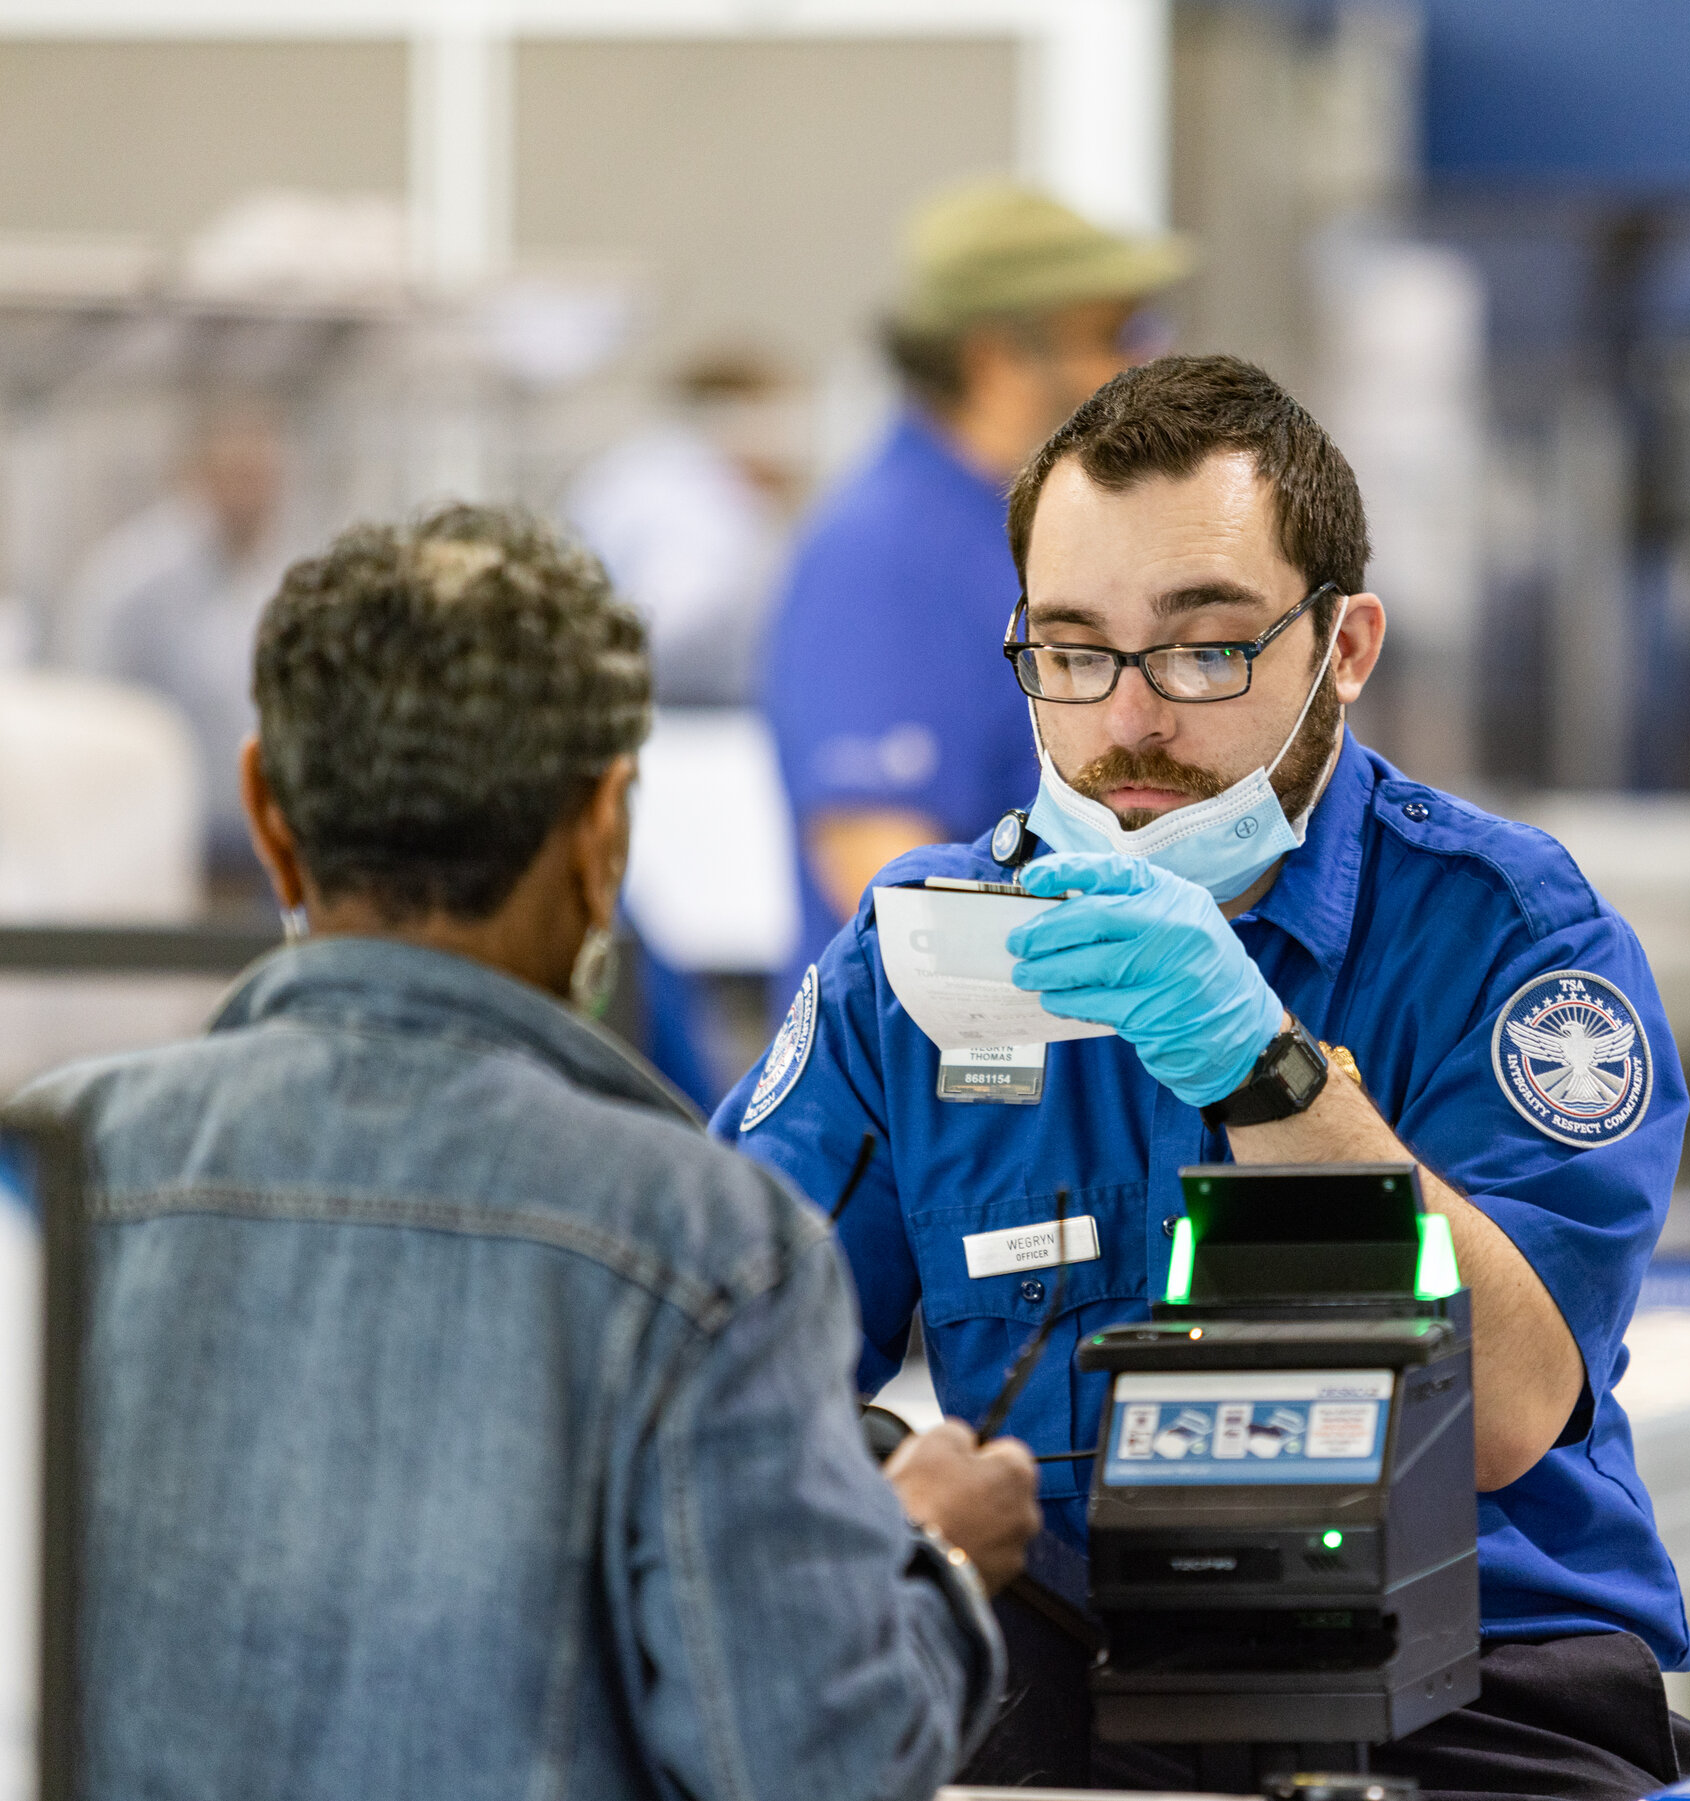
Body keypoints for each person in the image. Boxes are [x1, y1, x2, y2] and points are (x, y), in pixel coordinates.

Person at [718, 357, 1690, 1797]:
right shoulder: (925, 961)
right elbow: (722, 1356)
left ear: (1347, 645)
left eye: (1204, 650)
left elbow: (1506, 1405)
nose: (1130, 721)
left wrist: (1269, 1073)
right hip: (1070, 1662)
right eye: (1071, 652)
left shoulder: (1503, 933)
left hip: (1470, 1674)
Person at [13, 504, 1040, 1801]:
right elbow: (803, 1765)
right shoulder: (703, 1239)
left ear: (267, 808)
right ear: (606, 829)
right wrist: (933, 1560)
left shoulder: (53, 1172)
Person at [761, 176, 1188, 998]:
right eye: (1117, 333)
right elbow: (881, 871)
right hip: (949, 1087)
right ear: (997, 355)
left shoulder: (1032, 531)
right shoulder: (885, 554)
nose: (1146, 362)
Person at [67, 403, 294, 865]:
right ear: (202, 478)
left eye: (265, 479)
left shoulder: (261, 575)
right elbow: (95, 699)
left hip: (243, 825)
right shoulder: (138, 580)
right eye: (241, 477)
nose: (257, 495)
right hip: (157, 826)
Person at [564, 349, 801, 707]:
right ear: (738, 418)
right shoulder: (705, 504)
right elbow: (669, 625)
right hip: (679, 714)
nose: (795, 447)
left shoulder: (630, 472)